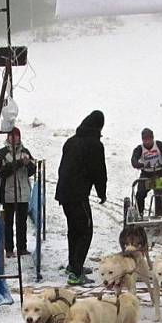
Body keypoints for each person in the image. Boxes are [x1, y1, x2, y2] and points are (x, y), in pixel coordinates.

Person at [55, 110, 107, 286]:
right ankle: (76, 273)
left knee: (74, 230)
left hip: (64, 193)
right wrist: (102, 192)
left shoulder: (71, 141)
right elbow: (99, 171)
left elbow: (63, 168)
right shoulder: (94, 145)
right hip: (78, 195)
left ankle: (73, 264)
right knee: (85, 230)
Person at [0, 127, 35, 257]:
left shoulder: (25, 151)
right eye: (11, 136)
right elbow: (2, 172)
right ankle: (9, 249)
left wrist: (28, 164)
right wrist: (18, 163)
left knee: (22, 222)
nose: (14, 138)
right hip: (8, 193)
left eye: (16, 135)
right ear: (7, 137)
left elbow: (32, 171)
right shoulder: (3, 152)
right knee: (8, 223)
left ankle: (22, 248)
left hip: (23, 193)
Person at [131, 128, 162, 216]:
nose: (147, 142)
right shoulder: (139, 149)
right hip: (146, 174)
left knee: (159, 196)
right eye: (145, 140)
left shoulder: (159, 145)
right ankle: (139, 214)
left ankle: (161, 215)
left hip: (159, 173)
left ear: (152, 138)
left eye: (149, 139)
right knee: (140, 194)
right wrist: (138, 164)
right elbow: (134, 159)